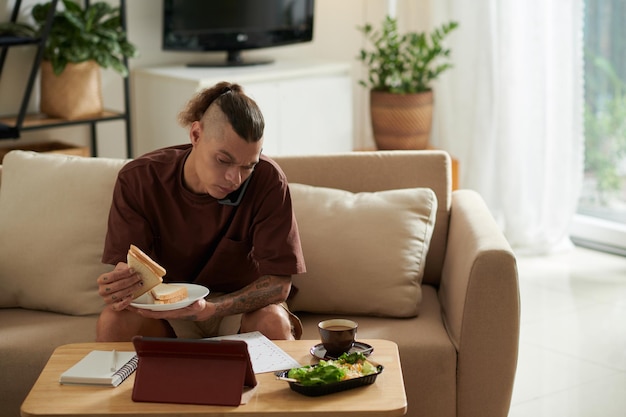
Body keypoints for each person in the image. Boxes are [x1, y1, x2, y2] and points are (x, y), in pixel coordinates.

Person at [95, 82, 306, 342]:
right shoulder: (139, 179)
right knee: (113, 321)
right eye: (223, 160)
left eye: (248, 166)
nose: (235, 178)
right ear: (196, 134)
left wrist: (212, 309)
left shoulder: (268, 180)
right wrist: (120, 286)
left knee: (273, 320)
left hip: (240, 311)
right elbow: (130, 267)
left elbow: (279, 285)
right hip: (167, 311)